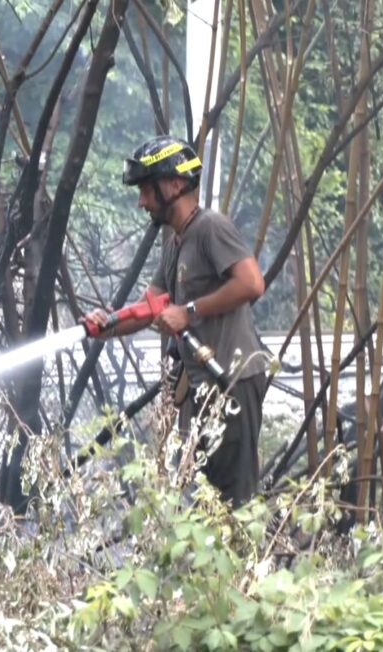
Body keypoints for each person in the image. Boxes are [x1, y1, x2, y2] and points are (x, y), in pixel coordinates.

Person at [84, 135, 268, 507]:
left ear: (173, 184)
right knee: (206, 499)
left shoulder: (210, 228)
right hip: (204, 388)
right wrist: (108, 324)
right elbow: (149, 307)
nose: (141, 202)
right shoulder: (176, 243)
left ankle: (241, 564)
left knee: (233, 502)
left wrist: (190, 312)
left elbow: (252, 283)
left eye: (146, 191)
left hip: (232, 382)